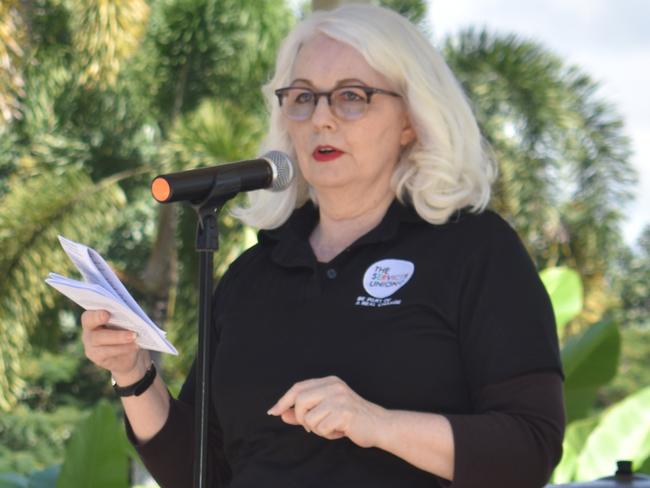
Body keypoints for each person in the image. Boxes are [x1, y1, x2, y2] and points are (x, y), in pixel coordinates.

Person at [81, 4, 565, 487]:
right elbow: (202, 473)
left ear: (411, 121)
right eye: (303, 97)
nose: (322, 118)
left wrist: (377, 424)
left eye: (352, 96)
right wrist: (134, 372)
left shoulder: (475, 250)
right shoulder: (254, 275)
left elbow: (529, 450)